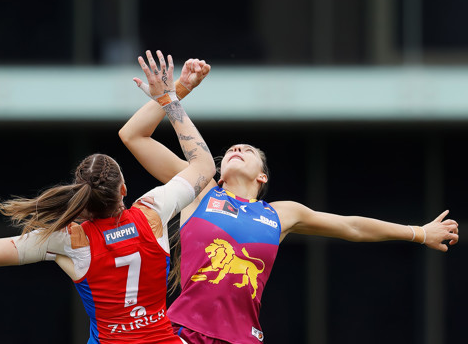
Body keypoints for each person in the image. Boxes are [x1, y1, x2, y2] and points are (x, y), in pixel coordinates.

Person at [0, 50, 215, 344]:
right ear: (123, 190)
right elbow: (202, 165)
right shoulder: (152, 210)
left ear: (82, 197)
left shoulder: (68, 240)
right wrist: (173, 96)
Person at [119, 57, 460, 344]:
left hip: (242, 337)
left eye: (247, 151)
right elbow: (133, 135)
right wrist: (176, 92)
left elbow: (352, 226)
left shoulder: (281, 214)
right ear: (219, 171)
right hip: (182, 333)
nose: (236, 149)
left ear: (262, 176)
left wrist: (419, 232)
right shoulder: (201, 191)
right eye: (231, 150)